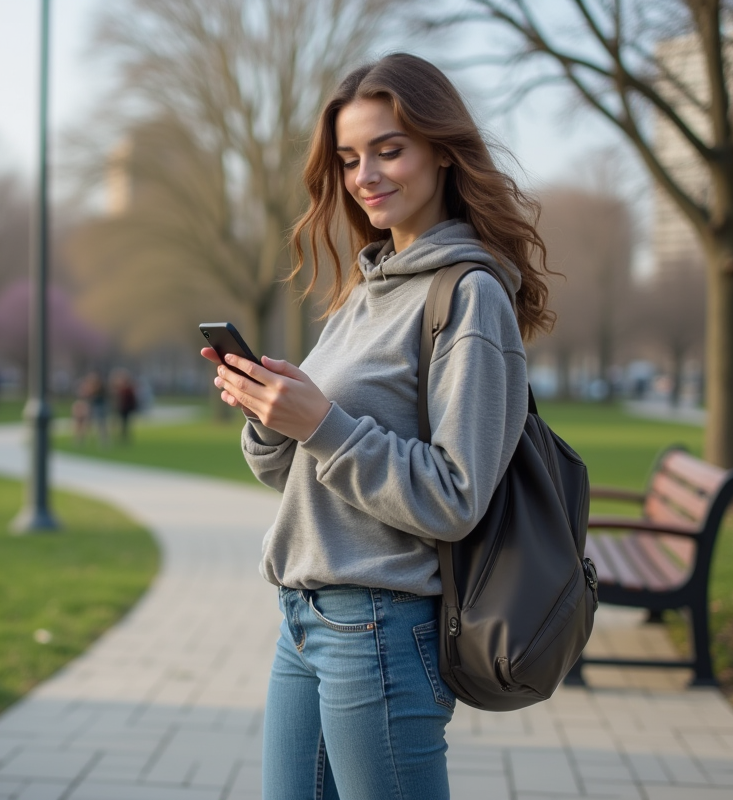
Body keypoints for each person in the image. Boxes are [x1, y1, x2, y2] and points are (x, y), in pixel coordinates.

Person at [202, 54, 554, 800]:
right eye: (350, 158)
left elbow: (455, 499)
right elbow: (302, 476)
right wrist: (272, 416)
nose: (366, 175)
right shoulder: (362, 293)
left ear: (442, 150)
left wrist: (323, 424)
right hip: (302, 617)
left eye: (389, 149)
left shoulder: (469, 295)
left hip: (382, 629)